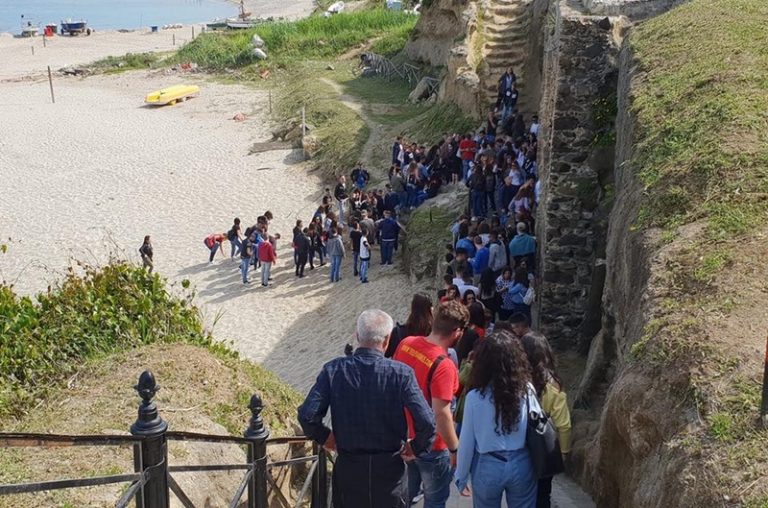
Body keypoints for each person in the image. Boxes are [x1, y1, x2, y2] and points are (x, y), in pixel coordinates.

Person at [298, 310, 436, 508]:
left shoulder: (334, 370)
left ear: (357, 335)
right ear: (387, 340)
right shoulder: (401, 373)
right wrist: (415, 447)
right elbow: (427, 422)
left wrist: (326, 437)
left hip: (349, 469)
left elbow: (307, 414)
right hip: (389, 471)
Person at [393, 300, 469, 508]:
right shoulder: (444, 365)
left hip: (405, 437)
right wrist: (455, 449)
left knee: (405, 497)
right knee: (434, 501)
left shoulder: (406, 344)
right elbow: (441, 414)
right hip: (433, 446)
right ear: (457, 332)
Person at [454, 330, 537, 507]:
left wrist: (461, 476)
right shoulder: (527, 390)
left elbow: (467, 441)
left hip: (488, 465)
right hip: (522, 461)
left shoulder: (475, 397)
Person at [520, 332, 572, 508]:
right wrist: (563, 452)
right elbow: (563, 424)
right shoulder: (554, 383)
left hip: (521, 447)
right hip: (544, 448)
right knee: (543, 495)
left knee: (522, 496)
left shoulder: (517, 380)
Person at [386, 293, 434, 358]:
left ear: (412, 308)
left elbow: (387, 353)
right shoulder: (433, 333)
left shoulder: (398, 332)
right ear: (430, 309)